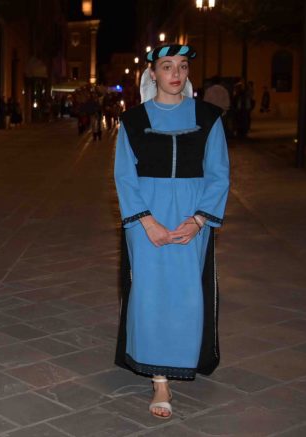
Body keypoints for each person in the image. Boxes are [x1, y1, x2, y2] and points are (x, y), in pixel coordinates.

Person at [114, 44, 229, 420]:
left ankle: (181, 357)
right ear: (153, 73)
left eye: (182, 66)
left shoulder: (209, 117)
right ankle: (160, 380)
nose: (176, 73)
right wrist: (147, 222)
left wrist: (198, 221)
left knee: (186, 293)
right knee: (149, 293)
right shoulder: (133, 120)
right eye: (167, 66)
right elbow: (124, 176)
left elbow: (219, 174)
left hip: (191, 218)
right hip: (146, 217)